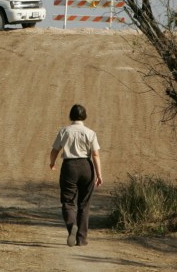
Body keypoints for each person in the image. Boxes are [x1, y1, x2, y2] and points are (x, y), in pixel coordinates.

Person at [49, 104, 103, 247]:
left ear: (70, 116)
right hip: (86, 167)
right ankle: (81, 239)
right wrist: (99, 174)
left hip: (69, 167)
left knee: (68, 202)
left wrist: (52, 163)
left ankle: (72, 225)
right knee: (84, 204)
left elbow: (54, 150)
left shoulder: (64, 131)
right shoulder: (90, 133)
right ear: (84, 116)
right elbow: (95, 154)